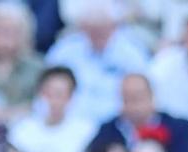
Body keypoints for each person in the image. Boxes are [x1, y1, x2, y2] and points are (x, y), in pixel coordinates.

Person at [45, 0, 151, 130]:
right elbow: (46, 89)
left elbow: (142, 94)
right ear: (82, 27)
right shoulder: (63, 51)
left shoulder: (133, 53)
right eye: (92, 29)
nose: (98, 34)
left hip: (117, 126)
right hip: (69, 126)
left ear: (114, 26)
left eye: (103, 28)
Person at [88, 73, 188, 152]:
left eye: (138, 98)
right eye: (126, 99)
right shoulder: (108, 131)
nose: (133, 105)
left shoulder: (179, 129)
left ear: (152, 96)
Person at [9, 67, 93, 152]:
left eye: (60, 94)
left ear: (71, 97)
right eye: (49, 94)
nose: (54, 100)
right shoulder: (23, 128)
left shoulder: (86, 131)